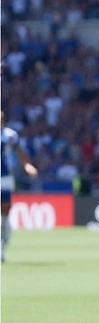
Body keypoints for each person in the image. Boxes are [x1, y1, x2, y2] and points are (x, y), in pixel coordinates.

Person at [1, 110, 39, 263]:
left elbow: (20, 152)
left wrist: (27, 165)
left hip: (4, 178)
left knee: (4, 216)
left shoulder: (10, 135)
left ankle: (3, 247)